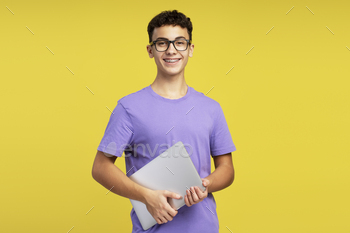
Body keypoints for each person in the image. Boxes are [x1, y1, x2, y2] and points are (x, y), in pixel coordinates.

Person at [92, 9, 237, 233]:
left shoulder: (211, 108)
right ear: (150, 50)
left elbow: (226, 168)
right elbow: (100, 168)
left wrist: (205, 185)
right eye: (162, 43)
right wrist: (146, 196)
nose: (171, 50)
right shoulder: (129, 108)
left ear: (190, 49)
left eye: (180, 42)